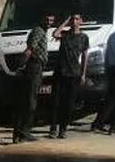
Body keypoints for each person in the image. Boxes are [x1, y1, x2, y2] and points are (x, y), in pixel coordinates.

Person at [13, 12, 53, 143]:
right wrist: (20, 64)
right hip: (34, 68)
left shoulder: (41, 32)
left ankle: (19, 133)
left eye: (51, 21)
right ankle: (24, 132)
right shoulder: (38, 32)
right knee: (30, 102)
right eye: (47, 20)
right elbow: (30, 49)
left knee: (27, 100)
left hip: (34, 68)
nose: (49, 23)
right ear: (41, 19)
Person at [49, 13, 89, 139]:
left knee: (69, 103)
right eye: (72, 19)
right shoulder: (65, 34)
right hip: (61, 72)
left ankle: (63, 128)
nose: (74, 21)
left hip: (74, 73)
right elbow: (55, 34)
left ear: (81, 21)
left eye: (76, 19)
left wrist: (83, 74)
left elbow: (85, 56)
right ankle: (53, 128)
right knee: (56, 102)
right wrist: (65, 21)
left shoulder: (83, 37)